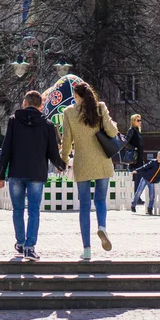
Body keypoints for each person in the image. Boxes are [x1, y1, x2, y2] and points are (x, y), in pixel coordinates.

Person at [0, 91, 66, 261]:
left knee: (18, 210)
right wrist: (61, 166)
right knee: (34, 210)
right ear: (41, 105)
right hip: (36, 173)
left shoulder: (13, 121)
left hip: (16, 172)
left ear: (25, 103)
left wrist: (0, 175)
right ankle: (29, 247)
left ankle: (20, 243)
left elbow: (6, 149)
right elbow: (52, 152)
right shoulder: (48, 125)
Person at [61, 82, 117, 260]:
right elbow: (112, 132)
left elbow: (67, 140)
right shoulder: (100, 108)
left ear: (77, 96)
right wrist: (109, 121)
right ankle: (102, 227)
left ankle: (86, 249)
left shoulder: (69, 112)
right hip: (102, 161)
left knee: (84, 205)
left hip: (82, 162)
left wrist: (63, 160)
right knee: (100, 199)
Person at [130, 150, 160, 214]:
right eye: (157, 156)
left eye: (159, 157)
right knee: (138, 192)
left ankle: (150, 208)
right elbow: (145, 167)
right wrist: (136, 171)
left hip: (153, 182)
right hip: (145, 178)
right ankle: (133, 205)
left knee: (152, 195)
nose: (157, 158)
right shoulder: (153, 162)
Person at [126, 114, 145, 204]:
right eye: (138, 120)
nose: (140, 122)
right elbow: (125, 142)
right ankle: (136, 198)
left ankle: (137, 197)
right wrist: (134, 148)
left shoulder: (137, 131)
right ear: (133, 121)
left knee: (139, 178)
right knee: (137, 178)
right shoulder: (131, 130)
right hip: (135, 158)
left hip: (139, 157)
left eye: (140, 120)